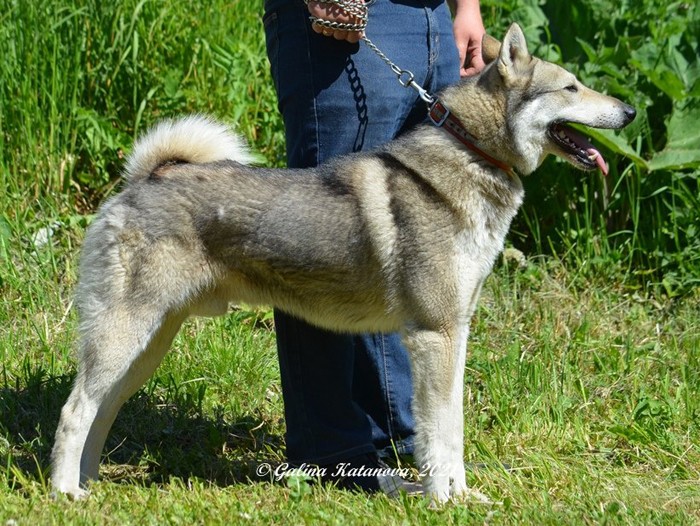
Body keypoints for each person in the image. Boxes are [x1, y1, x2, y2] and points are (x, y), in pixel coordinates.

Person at [262, 0, 485, 494]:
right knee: (329, 239)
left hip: (431, 18)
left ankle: (396, 439)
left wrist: (467, 7)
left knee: (406, 241)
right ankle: (333, 452)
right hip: (345, 22)